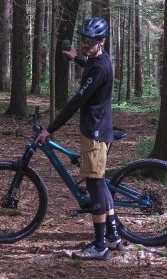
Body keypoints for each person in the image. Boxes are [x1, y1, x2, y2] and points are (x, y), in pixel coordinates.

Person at [36, 17, 122, 261]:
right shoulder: (99, 60)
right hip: (97, 128)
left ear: (101, 41)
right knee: (100, 184)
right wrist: (75, 58)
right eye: (83, 40)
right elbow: (90, 63)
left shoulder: (99, 68)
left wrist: (50, 129)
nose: (85, 44)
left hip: (95, 133)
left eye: (90, 41)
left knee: (95, 186)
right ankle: (113, 237)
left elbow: (75, 102)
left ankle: (99, 246)